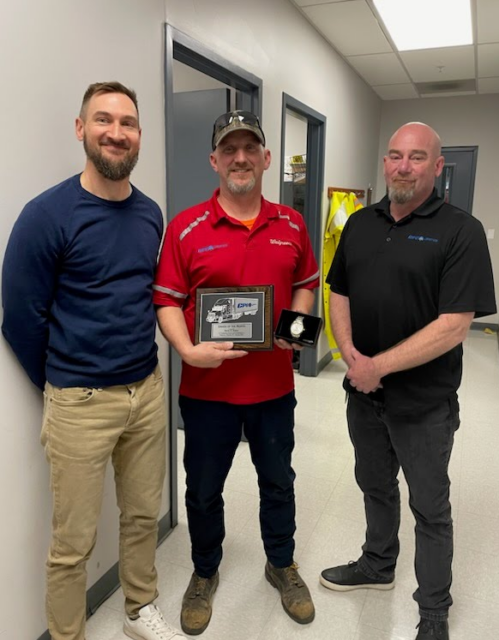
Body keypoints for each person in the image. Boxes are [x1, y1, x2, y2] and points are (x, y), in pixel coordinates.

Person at [1, 82, 185, 640]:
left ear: (139, 136)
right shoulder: (47, 215)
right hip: (79, 401)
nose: (116, 132)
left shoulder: (150, 214)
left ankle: (138, 609)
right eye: (103, 120)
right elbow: (20, 317)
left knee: (140, 517)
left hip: (147, 392)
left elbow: (144, 295)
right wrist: (64, 380)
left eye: (128, 122)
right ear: (81, 129)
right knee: (72, 542)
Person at [321, 122, 496, 640]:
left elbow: (454, 325)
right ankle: (377, 564)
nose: (403, 166)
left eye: (416, 158)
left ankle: (434, 610)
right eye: (395, 156)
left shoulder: (460, 230)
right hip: (363, 395)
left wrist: (378, 366)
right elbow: (339, 291)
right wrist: (351, 355)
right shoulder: (359, 223)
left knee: (429, 506)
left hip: (424, 404)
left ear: (437, 167)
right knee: (374, 487)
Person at [153, 110, 319, 635]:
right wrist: (187, 350)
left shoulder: (291, 223)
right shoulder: (186, 227)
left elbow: (307, 283)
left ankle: (282, 564)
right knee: (202, 489)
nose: (240, 158)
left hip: (272, 388)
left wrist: (293, 340)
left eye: (251, 148)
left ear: (267, 159)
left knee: (278, 481)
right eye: (230, 149)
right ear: (214, 161)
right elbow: (166, 300)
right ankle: (204, 573)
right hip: (206, 392)